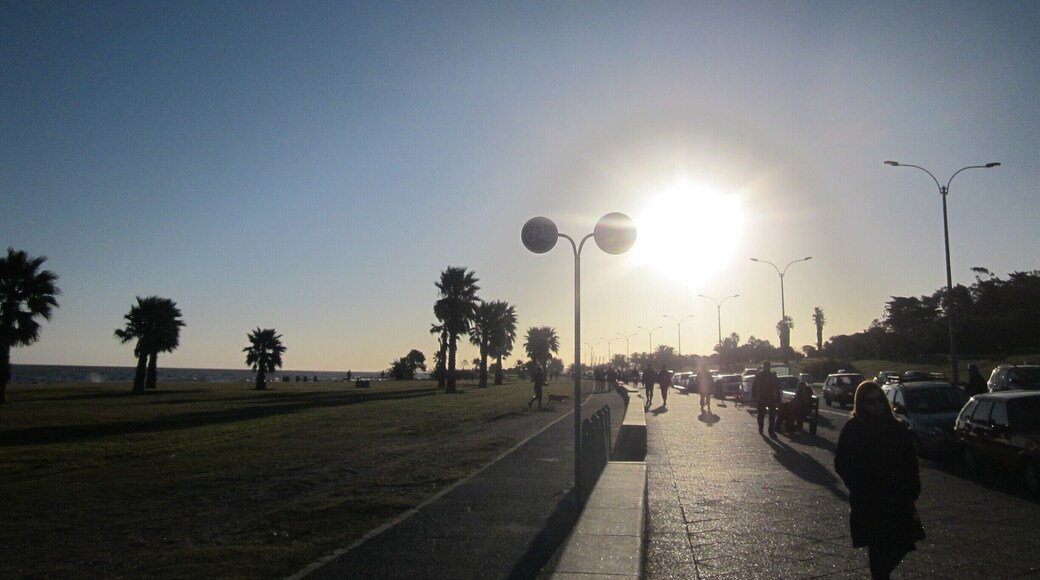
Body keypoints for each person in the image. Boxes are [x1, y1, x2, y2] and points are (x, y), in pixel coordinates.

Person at [835, 381, 923, 580]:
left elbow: (910, 460)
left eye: (879, 400)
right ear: (860, 404)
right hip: (870, 500)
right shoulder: (854, 428)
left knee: (902, 544)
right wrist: (857, 485)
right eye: (870, 402)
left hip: (898, 497)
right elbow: (841, 462)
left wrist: (913, 486)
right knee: (878, 550)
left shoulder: (897, 427)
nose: (876, 406)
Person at [751, 360, 780, 437]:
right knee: (771, 415)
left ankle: (761, 428)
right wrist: (778, 398)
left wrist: (754, 396)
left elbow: (754, 386)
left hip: (762, 397)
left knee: (761, 414)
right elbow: (777, 388)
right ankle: (770, 430)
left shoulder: (759, 375)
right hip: (770, 397)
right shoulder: (772, 376)